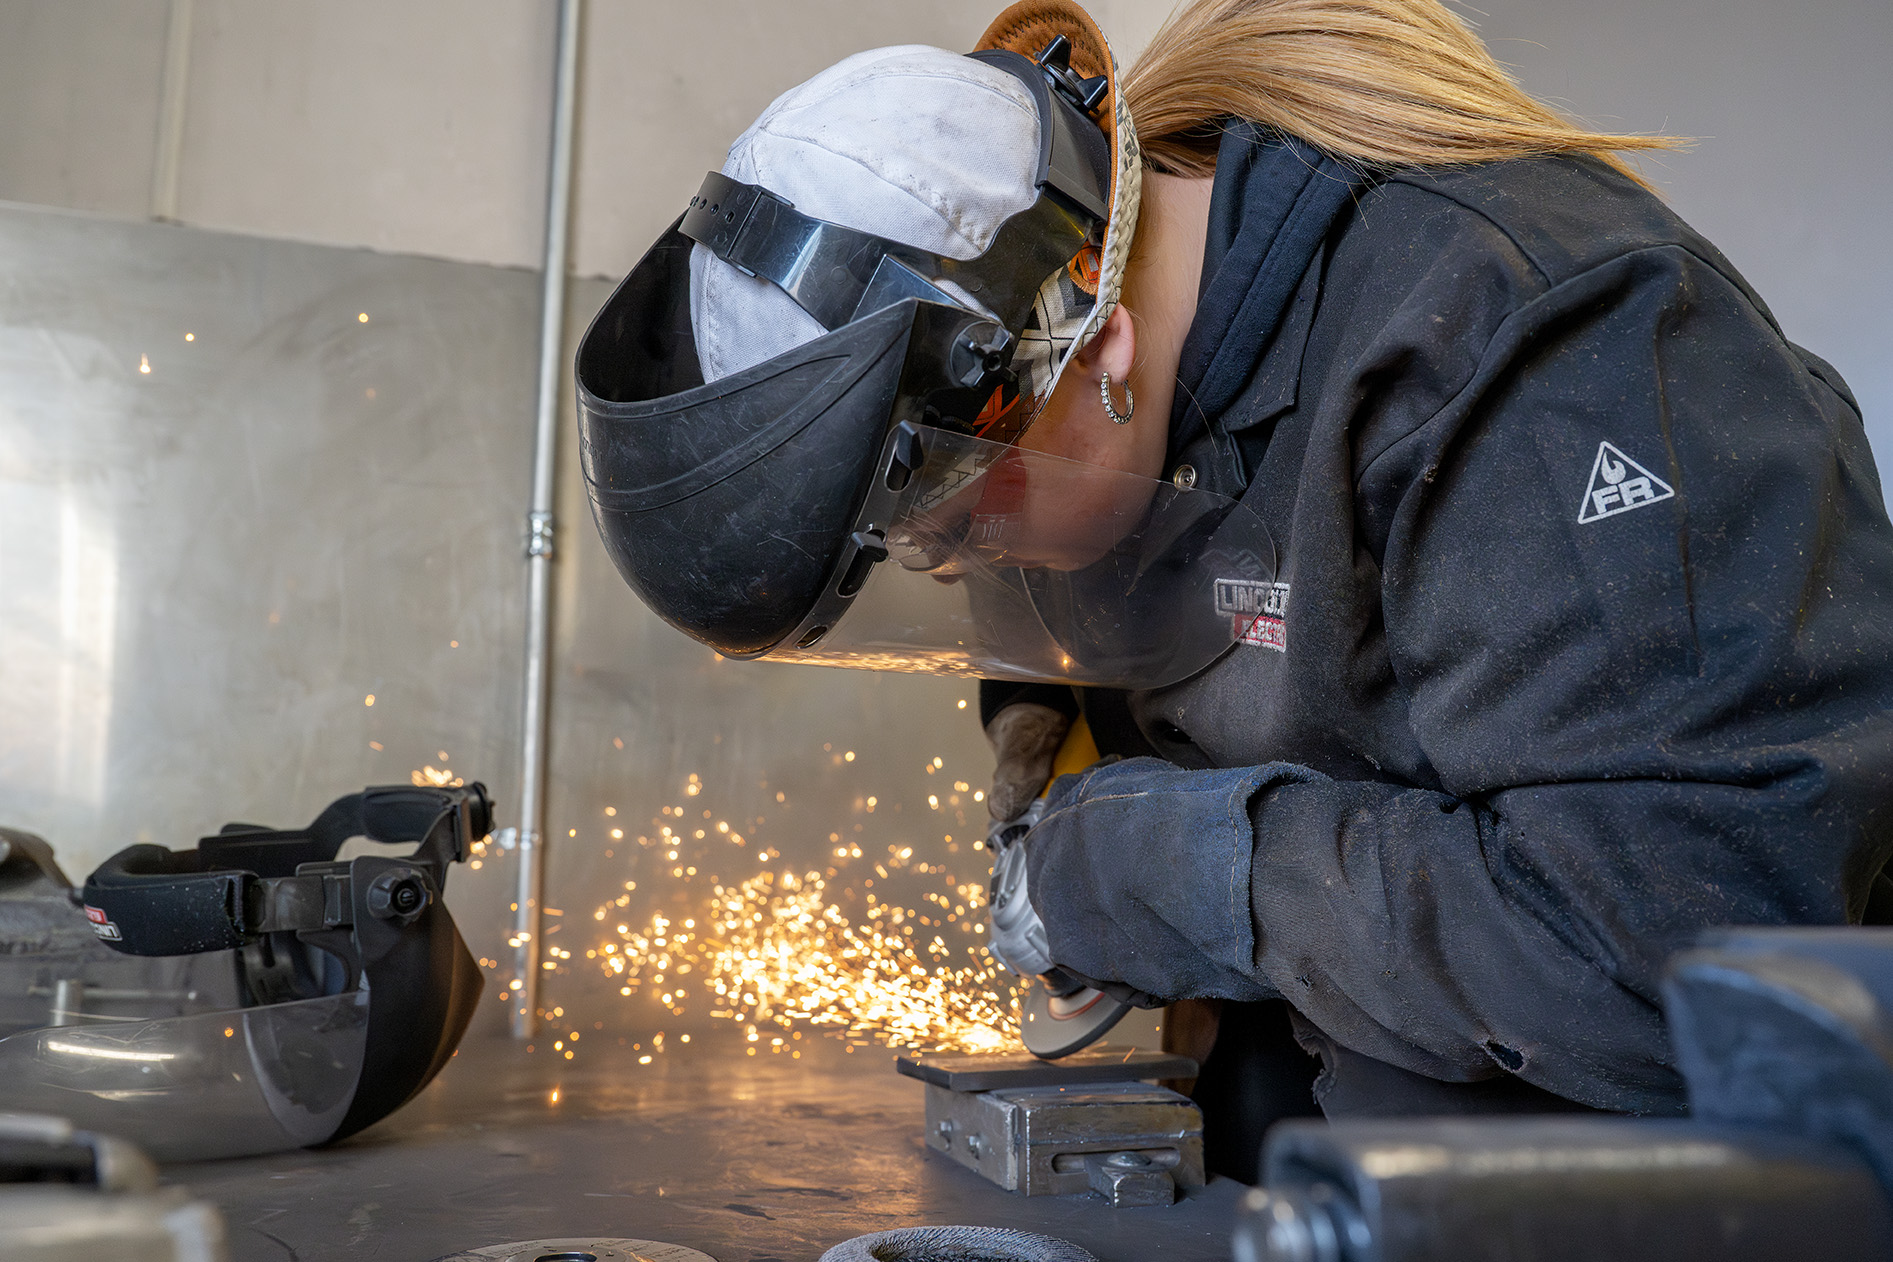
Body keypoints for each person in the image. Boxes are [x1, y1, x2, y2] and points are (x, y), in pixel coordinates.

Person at [574, 0, 1893, 1178]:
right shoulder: (1121, 404)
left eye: (955, 521)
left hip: (1664, 1177)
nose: (957, 561)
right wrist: (1045, 752)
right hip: (1346, 1114)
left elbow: (1660, 951)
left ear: (1102, 350)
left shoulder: (1533, 343)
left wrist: (1150, 866)